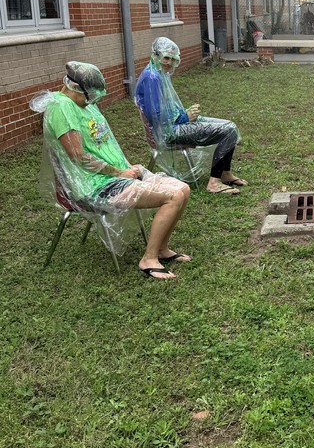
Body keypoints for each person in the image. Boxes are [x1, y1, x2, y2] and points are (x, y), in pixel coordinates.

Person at [41, 62, 191, 281]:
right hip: (93, 186)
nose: (92, 100)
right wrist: (118, 173)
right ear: (75, 87)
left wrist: (127, 167)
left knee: (183, 189)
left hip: (111, 176)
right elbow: (78, 156)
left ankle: (161, 249)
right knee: (173, 197)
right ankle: (148, 260)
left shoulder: (83, 105)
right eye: (89, 95)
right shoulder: (62, 108)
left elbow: (104, 145)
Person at [135, 38, 246, 194]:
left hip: (173, 126)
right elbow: (157, 117)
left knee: (230, 126)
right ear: (155, 55)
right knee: (227, 131)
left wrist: (184, 113)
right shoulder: (152, 78)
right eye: (166, 58)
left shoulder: (158, 73)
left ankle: (225, 174)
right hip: (168, 133)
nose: (169, 63)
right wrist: (185, 117)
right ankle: (214, 183)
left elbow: (166, 108)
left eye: (173, 60)